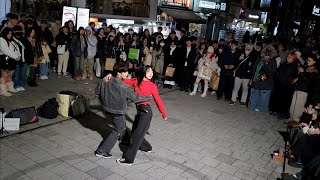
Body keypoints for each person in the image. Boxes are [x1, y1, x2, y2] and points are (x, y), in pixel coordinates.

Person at [104, 65, 167, 165]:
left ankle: (128, 159)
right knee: (136, 131)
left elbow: (158, 100)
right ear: (143, 72)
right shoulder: (135, 81)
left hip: (146, 112)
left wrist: (163, 113)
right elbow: (123, 80)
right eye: (148, 72)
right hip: (140, 112)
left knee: (135, 136)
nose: (151, 74)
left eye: (151, 72)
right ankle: (146, 148)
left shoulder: (152, 86)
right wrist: (110, 75)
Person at [94, 62, 152, 159]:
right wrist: (148, 97)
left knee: (122, 125)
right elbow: (136, 97)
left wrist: (105, 100)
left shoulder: (105, 80)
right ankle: (102, 150)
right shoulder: (124, 87)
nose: (127, 73)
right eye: (125, 72)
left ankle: (125, 140)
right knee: (119, 129)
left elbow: (97, 92)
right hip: (117, 111)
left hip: (107, 109)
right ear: (119, 73)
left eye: (127, 71)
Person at [248, 45, 277, 112]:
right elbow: (254, 68)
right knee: (254, 93)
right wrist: (252, 78)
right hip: (256, 79)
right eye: (266, 51)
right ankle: (252, 106)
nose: (267, 53)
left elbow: (273, 71)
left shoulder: (273, 60)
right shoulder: (260, 58)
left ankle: (261, 108)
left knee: (263, 96)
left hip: (266, 81)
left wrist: (266, 64)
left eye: (269, 52)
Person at [290, 55, 318, 122]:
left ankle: (295, 121)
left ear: (314, 62)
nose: (307, 61)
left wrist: (302, 72)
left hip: (304, 91)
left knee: (298, 107)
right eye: (307, 60)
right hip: (298, 88)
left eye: (309, 60)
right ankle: (291, 118)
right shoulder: (306, 68)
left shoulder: (314, 71)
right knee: (293, 105)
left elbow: (308, 81)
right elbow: (300, 77)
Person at [0, 27, 21, 96]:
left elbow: (16, 48)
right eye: (8, 34)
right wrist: (16, 57)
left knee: (10, 75)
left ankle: (10, 88)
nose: (10, 35)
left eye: (11, 34)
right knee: (4, 75)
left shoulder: (11, 40)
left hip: (12, 59)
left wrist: (19, 55)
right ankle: (3, 90)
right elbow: (6, 51)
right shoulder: (1, 40)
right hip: (4, 59)